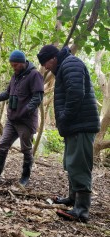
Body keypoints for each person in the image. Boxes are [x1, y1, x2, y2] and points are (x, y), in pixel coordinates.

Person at [37, 45, 100, 223]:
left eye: (46, 63)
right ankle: (73, 199)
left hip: (80, 124)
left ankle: (81, 210)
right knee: (72, 163)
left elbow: (76, 94)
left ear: (54, 58)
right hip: (75, 125)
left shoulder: (71, 64)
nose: (46, 67)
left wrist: (64, 117)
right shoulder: (66, 65)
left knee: (79, 164)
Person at [0, 50, 44, 187]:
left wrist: (25, 110)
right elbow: (8, 93)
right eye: (12, 65)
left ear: (22, 63)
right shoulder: (15, 76)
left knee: (26, 150)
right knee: (2, 146)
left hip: (25, 121)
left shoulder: (35, 75)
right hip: (12, 120)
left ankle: (25, 178)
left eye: (15, 65)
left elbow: (37, 98)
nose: (13, 68)